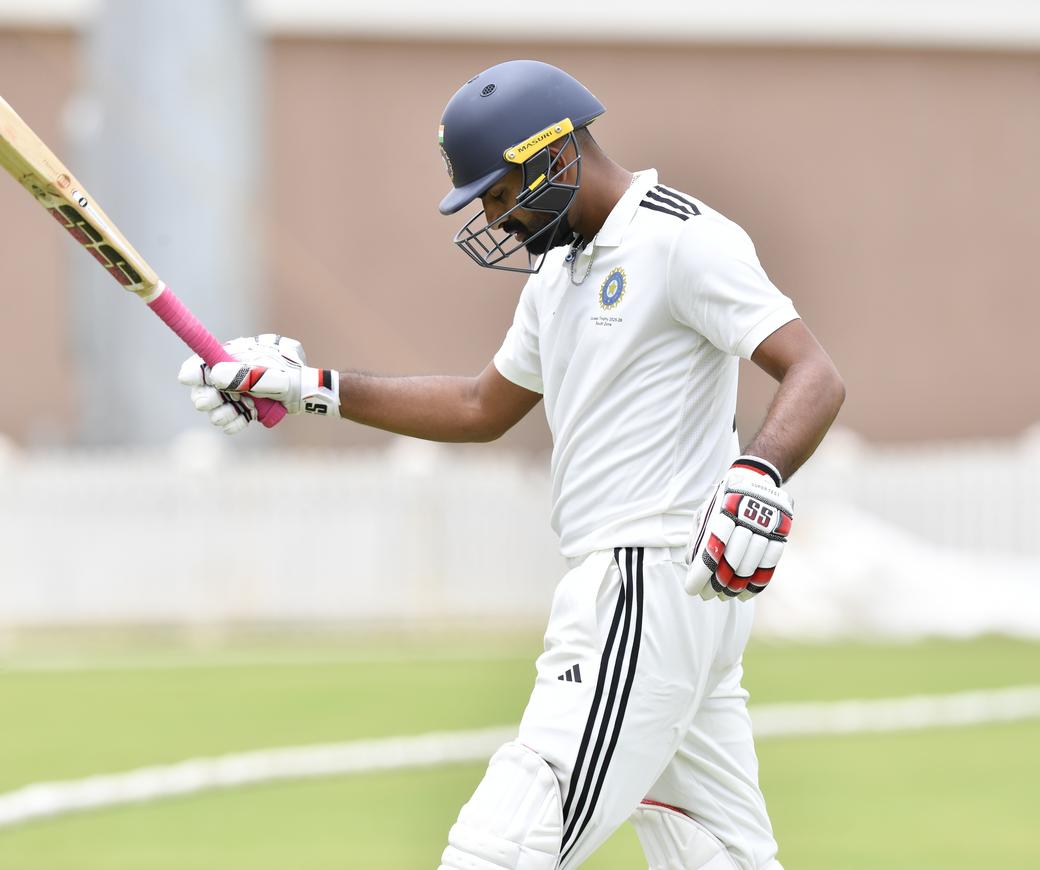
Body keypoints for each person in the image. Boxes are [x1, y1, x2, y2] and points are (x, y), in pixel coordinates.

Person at [179, 60, 844, 870]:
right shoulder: (558, 274)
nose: (495, 218)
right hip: (657, 592)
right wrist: (310, 386)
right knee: (718, 855)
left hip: (646, 579)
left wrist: (759, 472)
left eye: (499, 194)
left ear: (556, 154)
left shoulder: (680, 238)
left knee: (504, 844)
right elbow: (478, 406)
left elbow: (813, 373)